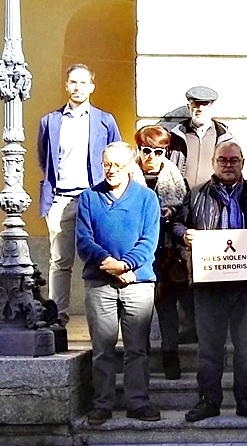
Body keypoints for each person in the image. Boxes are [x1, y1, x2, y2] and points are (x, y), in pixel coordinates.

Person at [174, 141, 247, 423]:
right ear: (213, 162)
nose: (228, 165)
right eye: (223, 160)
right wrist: (185, 234)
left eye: (234, 160)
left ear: (243, 162)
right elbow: (176, 225)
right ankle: (208, 400)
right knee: (209, 349)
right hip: (210, 285)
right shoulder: (195, 196)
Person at [75, 142, 161, 426]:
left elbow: (149, 241)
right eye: (107, 165)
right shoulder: (89, 198)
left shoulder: (147, 198)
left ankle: (138, 402)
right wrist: (110, 265)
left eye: (118, 165)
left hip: (138, 282)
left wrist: (125, 265)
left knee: (137, 348)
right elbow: (84, 241)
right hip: (100, 283)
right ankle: (102, 403)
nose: (111, 170)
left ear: (130, 167)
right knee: (103, 348)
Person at [38, 63, 122, 325]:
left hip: (95, 199)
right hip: (61, 199)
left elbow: (117, 155)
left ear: (92, 87)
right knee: (60, 262)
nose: (77, 87)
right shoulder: (50, 121)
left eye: (83, 82)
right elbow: (45, 160)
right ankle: (58, 318)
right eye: (73, 82)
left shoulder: (104, 120)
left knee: (104, 256)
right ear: (66, 85)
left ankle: (106, 320)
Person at [134, 126, 190, 380]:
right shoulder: (129, 177)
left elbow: (186, 209)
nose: (152, 157)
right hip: (137, 254)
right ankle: (139, 358)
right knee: (139, 310)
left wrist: (173, 213)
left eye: (158, 151)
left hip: (167, 253)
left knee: (168, 308)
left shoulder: (175, 178)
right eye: (146, 150)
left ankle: (170, 357)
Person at [168, 86, 236, 188]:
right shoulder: (176, 137)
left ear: (213, 108)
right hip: (182, 199)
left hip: (213, 199)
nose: (200, 109)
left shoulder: (224, 138)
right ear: (189, 107)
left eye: (205, 104)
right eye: (196, 104)